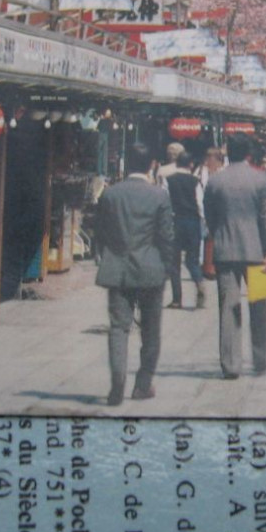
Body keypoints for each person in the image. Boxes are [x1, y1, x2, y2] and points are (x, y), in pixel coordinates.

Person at [94, 142, 174, 405]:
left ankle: (117, 385)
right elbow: (166, 237)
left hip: (118, 268)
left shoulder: (110, 194)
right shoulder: (159, 196)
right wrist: (168, 266)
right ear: (152, 164)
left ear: (127, 164)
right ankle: (142, 384)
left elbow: (100, 233)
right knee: (151, 330)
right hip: (151, 268)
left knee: (118, 328)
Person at [203, 135, 266, 378]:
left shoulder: (216, 181)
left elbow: (210, 217)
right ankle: (260, 359)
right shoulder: (261, 179)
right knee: (260, 307)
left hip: (225, 250)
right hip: (258, 252)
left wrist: (221, 233)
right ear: (249, 153)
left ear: (228, 153)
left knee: (228, 308)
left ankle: (230, 364)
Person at [165, 154, 206, 310]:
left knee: (174, 263)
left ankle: (177, 299)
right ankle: (199, 281)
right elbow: (200, 204)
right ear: (190, 164)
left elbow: (166, 201)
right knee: (192, 260)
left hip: (175, 221)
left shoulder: (168, 180)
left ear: (176, 163)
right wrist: (204, 222)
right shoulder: (196, 182)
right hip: (192, 221)